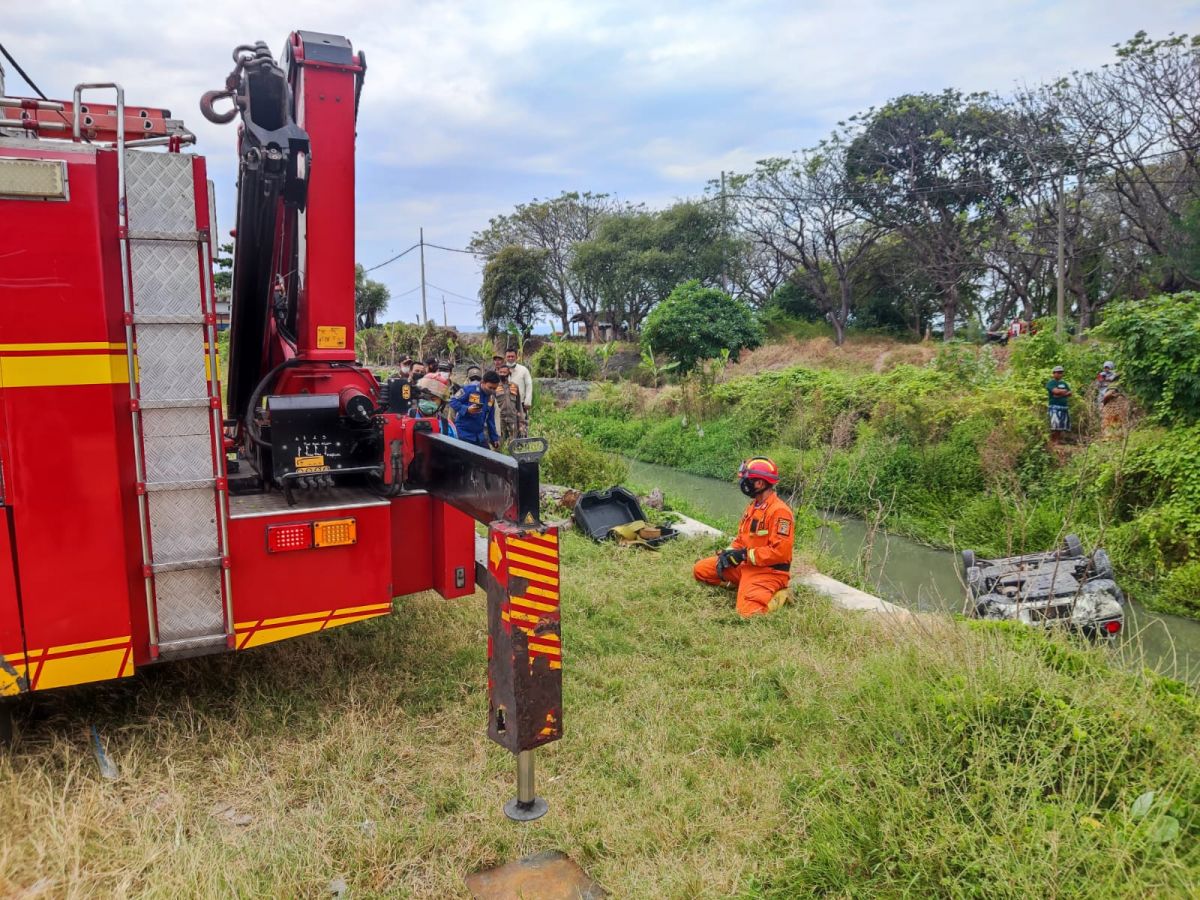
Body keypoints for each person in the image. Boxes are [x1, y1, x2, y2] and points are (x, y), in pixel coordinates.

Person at [693, 457, 794, 617]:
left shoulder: (780, 512)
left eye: (747, 480)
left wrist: (743, 555)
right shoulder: (753, 506)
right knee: (701, 570)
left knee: (747, 612)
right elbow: (741, 540)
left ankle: (779, 595)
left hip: (768, 572)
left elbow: (780, 552)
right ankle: (743, 586)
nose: (743, 484)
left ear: (760, 483)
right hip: (746, 565)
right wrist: (728, 554)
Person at [449, 370, 500, 449]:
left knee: (487, 458)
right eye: (490, 387)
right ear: (482, 382)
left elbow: (490, 419)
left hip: (479, 436)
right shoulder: (469, 389)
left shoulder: (491, 397)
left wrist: (494, 438)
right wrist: (466, 409)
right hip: (464, 434)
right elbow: (453, 401)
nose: (492, 390)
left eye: (495, 388)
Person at [495, 363, 527, 447]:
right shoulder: (495, 386)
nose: (502, 374)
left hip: (512, 418)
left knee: (513, 442)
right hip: (499, 418)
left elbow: (519, 405)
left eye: (504, 372)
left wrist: (521, 421)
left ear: (509, 373)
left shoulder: (514, 386)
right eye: (500, 372)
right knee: (500, 441)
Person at [1046, 365, 1072, 443]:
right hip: (1054, 406)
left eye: (1061, 373)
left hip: (1063, 407)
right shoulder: (1051, 383)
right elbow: (1055, 392)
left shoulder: (1064, 383)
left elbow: (1070, 393)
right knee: (1054, 425)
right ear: (1054, 373)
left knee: (1061, 425)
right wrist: (1063, 392)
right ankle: (1052, 441)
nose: (1060, 374)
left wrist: (1059, 393)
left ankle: (1057, 440)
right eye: (1058, 372)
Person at [505, 348, 533, 419]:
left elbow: (529, 385)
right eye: (508, 356)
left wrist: (528, 401)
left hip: (521, 403)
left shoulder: (523, 370)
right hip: (505, 404)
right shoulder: (502, 370)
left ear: (516, 357)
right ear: (505, 357)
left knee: (522, 425)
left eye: (512, 356)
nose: (510, 358)